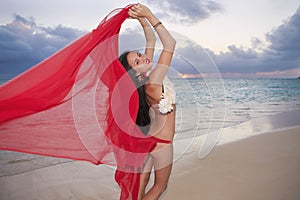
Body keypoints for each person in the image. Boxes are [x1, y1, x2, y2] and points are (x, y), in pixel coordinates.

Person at [118, 3, 176, 200]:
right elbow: (170, 44)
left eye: (140, 55)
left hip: (149, 140)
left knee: (140, 185)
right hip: (162, 144)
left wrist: (139, 17)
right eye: (137, 61)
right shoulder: (153, 82)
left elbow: (150, 38)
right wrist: (150, 15)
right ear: (134, 72)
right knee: (160, 187)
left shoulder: (143, 78)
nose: (143, 58)